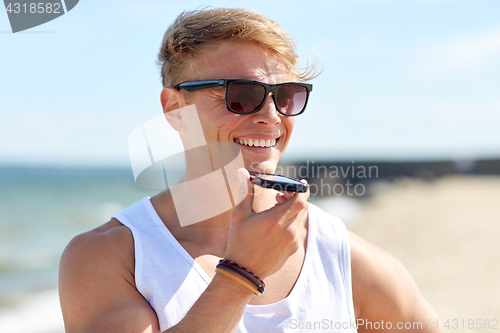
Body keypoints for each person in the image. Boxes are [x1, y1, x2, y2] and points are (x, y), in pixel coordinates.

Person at [59, 8, 442, 333]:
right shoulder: (113, 256)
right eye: (242, 95)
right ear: (175, 108)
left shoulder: (341, 256)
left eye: (286, 97)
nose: (272, 118)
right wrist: (241, 275)